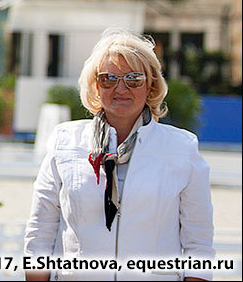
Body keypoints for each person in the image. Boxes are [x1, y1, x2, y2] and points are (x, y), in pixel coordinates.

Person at [23, 28, 215, 281]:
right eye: (108, 79)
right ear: (95, 86)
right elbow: (39, 236)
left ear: (150, 85)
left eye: (134, 79)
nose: (121, 88)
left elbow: (198, 247)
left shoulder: (182, 149)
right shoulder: (64, 142)